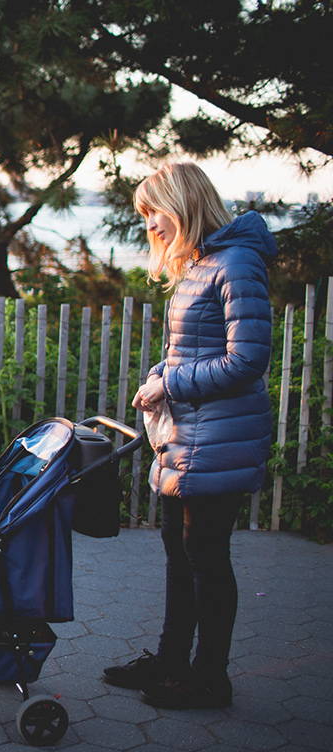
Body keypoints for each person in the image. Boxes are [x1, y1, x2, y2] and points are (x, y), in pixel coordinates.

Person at [102, 162, 276, 709]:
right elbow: (191, 352)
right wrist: (160, 374)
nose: (150, 224)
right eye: (145, 214)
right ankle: (172, 659)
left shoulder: (237, 263)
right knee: (179, 550)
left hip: (218, 437)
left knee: (204, 552)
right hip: (189, 435)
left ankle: (208, 679)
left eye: (155, 211)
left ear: (185, 203)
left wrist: (170, 382)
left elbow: (247, 360)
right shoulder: (201, 265)